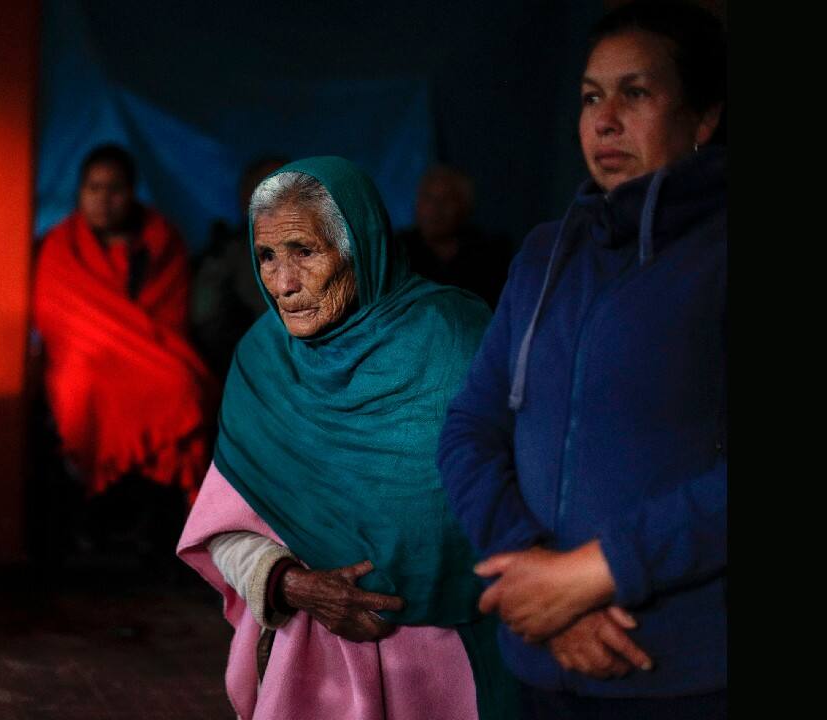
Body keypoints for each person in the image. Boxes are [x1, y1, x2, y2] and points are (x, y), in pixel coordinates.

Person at [436, 2, 726, 717]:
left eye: (637, 92)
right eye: (592, 97)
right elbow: (469, 428)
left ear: (705, 118)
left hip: (685, 669)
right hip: (543, 660)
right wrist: (539, 581)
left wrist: (600, 572)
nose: (605, 120)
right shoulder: (544, 254)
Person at [178, 156, 516, 720]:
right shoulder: (263, 363)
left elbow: (521, 500)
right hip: (310, 664)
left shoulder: (457, 341)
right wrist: (291, 585)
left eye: (305, 252)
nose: (283, 285)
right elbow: (224, 529)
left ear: (361, 244)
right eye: (267, 256)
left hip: (452, 663)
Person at [32, 144, 215, 555]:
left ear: (132, 192)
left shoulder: (160, 239)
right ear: (79, 192)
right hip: (84, 354)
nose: (104, 198)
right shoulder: (62, 245)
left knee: (182, 384)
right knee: (83, 388)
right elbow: (57, 316)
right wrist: (108, 343)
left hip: (149, 351)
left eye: (115, 188)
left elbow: (170, 313)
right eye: (94, 187)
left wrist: (130, 345)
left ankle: (159, 521)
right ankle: (93, 513)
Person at [191, 155, 289, 377]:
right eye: (272, 189)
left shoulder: (324, 244)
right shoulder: (229, 254)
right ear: (247, 200)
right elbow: (206, 318)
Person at [394, 165, 511, 308]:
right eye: (428, 198)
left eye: (447, 200)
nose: (435, 209)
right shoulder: (398, 251)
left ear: (465, 206)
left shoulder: (489, 253)